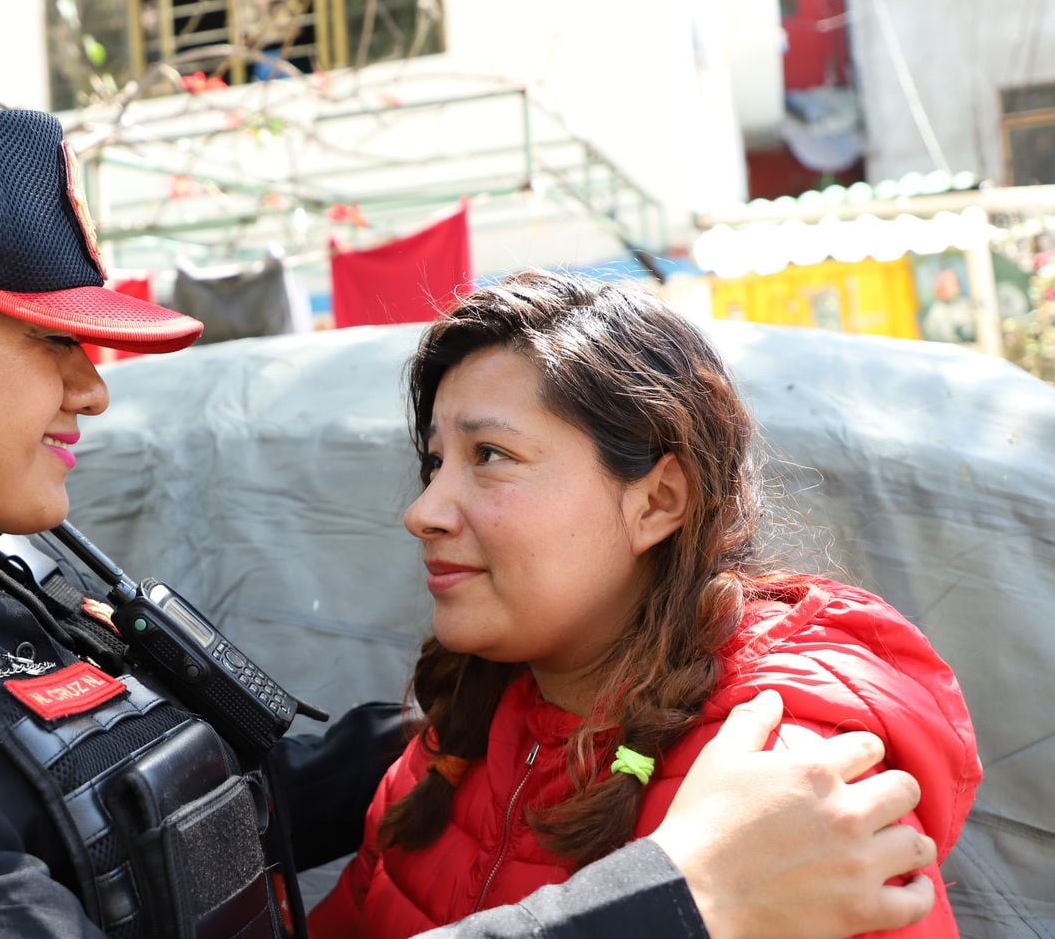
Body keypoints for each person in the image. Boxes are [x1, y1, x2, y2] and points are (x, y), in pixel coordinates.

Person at [0, 105, 942, 939]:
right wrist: (677, 903)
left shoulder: (4, 587)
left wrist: (590, 688)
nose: (94, 383)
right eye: (48, 340)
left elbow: (229, 796)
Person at [309, 271, 982, 939]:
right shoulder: (454, 743)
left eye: (490, 454)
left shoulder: (784, 777)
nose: (422, 512)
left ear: (658, 501)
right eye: (434, 463)